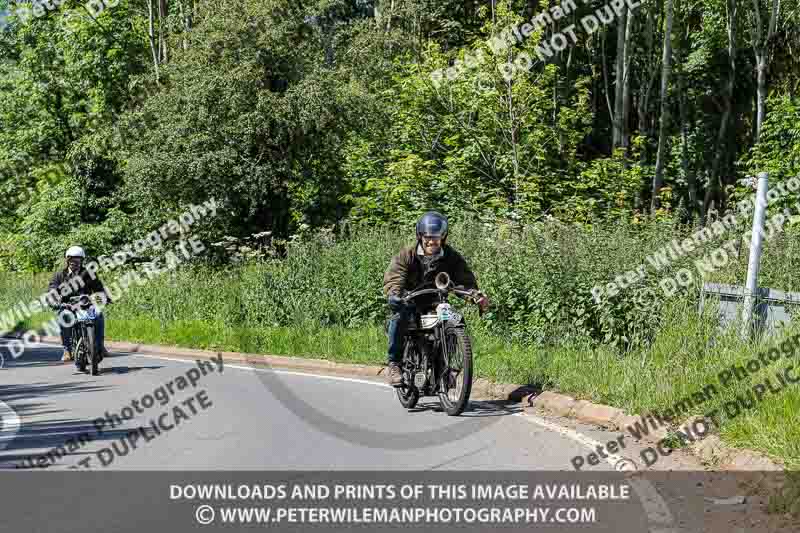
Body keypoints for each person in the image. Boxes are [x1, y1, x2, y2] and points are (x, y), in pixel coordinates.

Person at [382, 211, 489, 386]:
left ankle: (443, 369)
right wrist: (395, 294)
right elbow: (395, 276)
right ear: (420, 236)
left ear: (443, 238)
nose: (432, 241)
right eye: (428, 237)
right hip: (409, 300)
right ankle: (394, 364)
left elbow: (465, 281)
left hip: (436, 301)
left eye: (437, 238)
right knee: (400, 317)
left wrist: (475, 296)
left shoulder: (451, 256)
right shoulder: (407, 255)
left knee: (455, 319)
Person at [47, 246, 111, 365]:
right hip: (68, 306)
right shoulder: (59, 275)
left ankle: (100, 345)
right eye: (71, 260)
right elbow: (52, 288)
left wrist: (105, 297)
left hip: (86, 305)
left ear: (82, 261)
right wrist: (53, 298)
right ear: (67, 260)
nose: (74, 262)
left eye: (77, 260)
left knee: (98, 315)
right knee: (63, 317)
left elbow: (99, 288)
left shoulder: (89, 273)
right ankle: (67, 350)